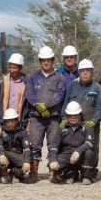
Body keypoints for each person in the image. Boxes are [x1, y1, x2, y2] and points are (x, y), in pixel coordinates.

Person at [24, 46, 66, 183]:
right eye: (43, 60)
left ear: (53, 61)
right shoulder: (32, 77)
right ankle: (34, 172)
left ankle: (52, 172)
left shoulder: (59, 77)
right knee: (35, 144)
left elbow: (60, 95)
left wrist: (47, 106)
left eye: (48, 60)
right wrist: (38, 105)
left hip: (53, 117)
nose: (46, 63)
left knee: (53, 144)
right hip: (36, 118)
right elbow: (29, 94)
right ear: (40, 61)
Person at [61, 58, 101, 182]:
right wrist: (64, 118)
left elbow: (100, 107)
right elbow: (65, 103)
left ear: (92, 73)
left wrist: (94, 121)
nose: (85, 73)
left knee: (92, 148)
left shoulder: (97, 88)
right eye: (82, 71)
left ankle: (89, 173)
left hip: (90, 124)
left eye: (88, 71)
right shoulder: (71, 86)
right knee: (71, 147)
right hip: (72, 124)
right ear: (79, 72)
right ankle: (72, 172)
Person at [48, 101, 96, 184]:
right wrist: (53, 160)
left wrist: (78, 151)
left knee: (89, 153)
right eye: (70, 115)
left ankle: (86, 176)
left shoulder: (87, 127)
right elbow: (54, 145)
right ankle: (71, 174)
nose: (73, 117)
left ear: (80, 115)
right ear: (67, 116)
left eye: (75, 115)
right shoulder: (61, 129)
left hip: (81, 155)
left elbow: (89, 143)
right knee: (53, 165)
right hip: (67, 155)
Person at [0, 108, 32, 183]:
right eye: (8, 121)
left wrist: (27, 161)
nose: (10, 123)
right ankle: (2, 174)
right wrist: (2, 155)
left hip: (17, 157)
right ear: (4, 122)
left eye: (12, 120)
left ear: (17, 120)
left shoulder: (23, 132)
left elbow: (27, 148)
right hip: (4, 156)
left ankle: (13, 173)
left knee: (27, 160)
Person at [0, 53, 28, 126]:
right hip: (4, 119)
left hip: (19, 120)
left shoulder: (27, 83)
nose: (12, 70)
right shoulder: (2, 81)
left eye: (14, 68)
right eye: (10, 67)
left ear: (20, 68)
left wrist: (28, 119)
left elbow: (29, 103)